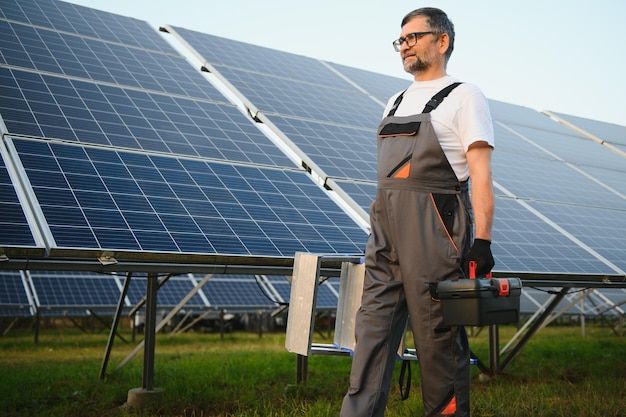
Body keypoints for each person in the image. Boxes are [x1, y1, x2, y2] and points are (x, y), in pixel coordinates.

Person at [340, 7, 495, 417]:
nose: (404, 45)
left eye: (414, 37)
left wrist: (483, 241)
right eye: (400, 40)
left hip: (435, 232)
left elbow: (480, 174)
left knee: (437, 343)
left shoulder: (465, 95)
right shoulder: (394, 101)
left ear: (441, 42)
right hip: (385, 232)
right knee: (371, 332)